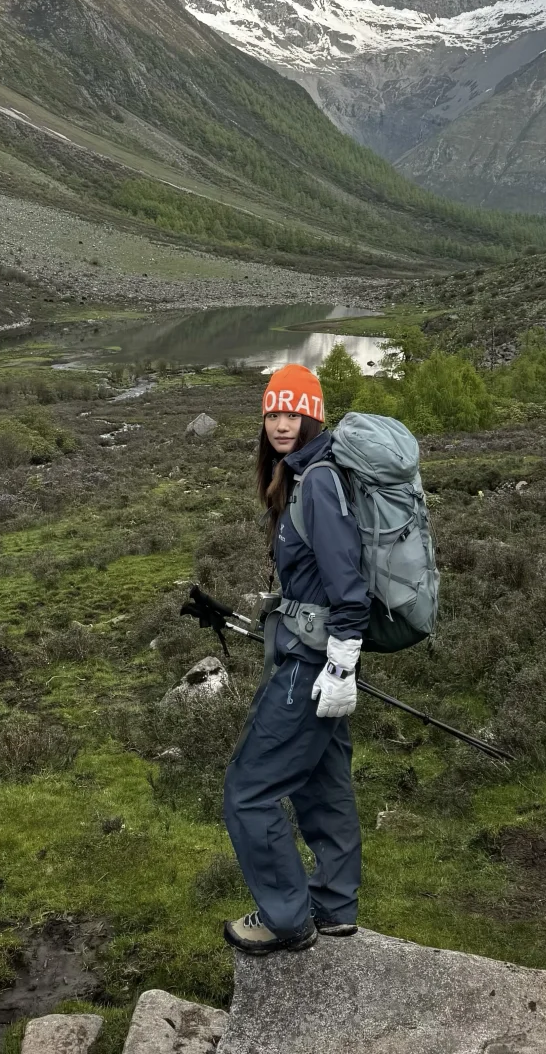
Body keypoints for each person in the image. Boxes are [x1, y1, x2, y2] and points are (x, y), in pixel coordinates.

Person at [222, 362, 370, 954]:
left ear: (313, 417)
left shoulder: (320, 482)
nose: (282, 423)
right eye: (273, 412)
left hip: (313, 666)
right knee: (322, 782)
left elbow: (348, 583)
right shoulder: (300, 476)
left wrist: (341, 663)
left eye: (293, 412)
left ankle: (285, 917)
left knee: (248, 790)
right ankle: (334, 906)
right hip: (313, 654)